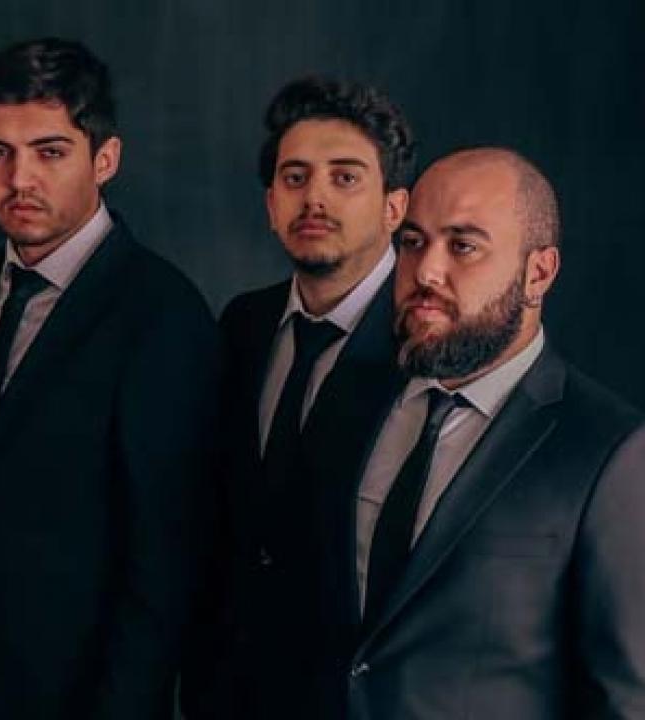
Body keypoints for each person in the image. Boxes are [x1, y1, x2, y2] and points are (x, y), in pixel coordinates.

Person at [0, 37, 220, 719]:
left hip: (79, 700)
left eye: (49, 152)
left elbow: (165, 562)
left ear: (104, 158)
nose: (18, 179)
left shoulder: (162, 313)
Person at [345, 147, 645, 717]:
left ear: (539, 273)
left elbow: (628, 699)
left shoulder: (612, 452)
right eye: (412, 242)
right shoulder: (357, 400)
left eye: (463, 246)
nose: (425, 272)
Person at [182, 77, 414, 718]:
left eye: (345, 178)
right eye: (295, 177)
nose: (314, 197)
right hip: (230, 694)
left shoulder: (423, 347)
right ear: (270, 202)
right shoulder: (243, 325)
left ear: (395, 207)